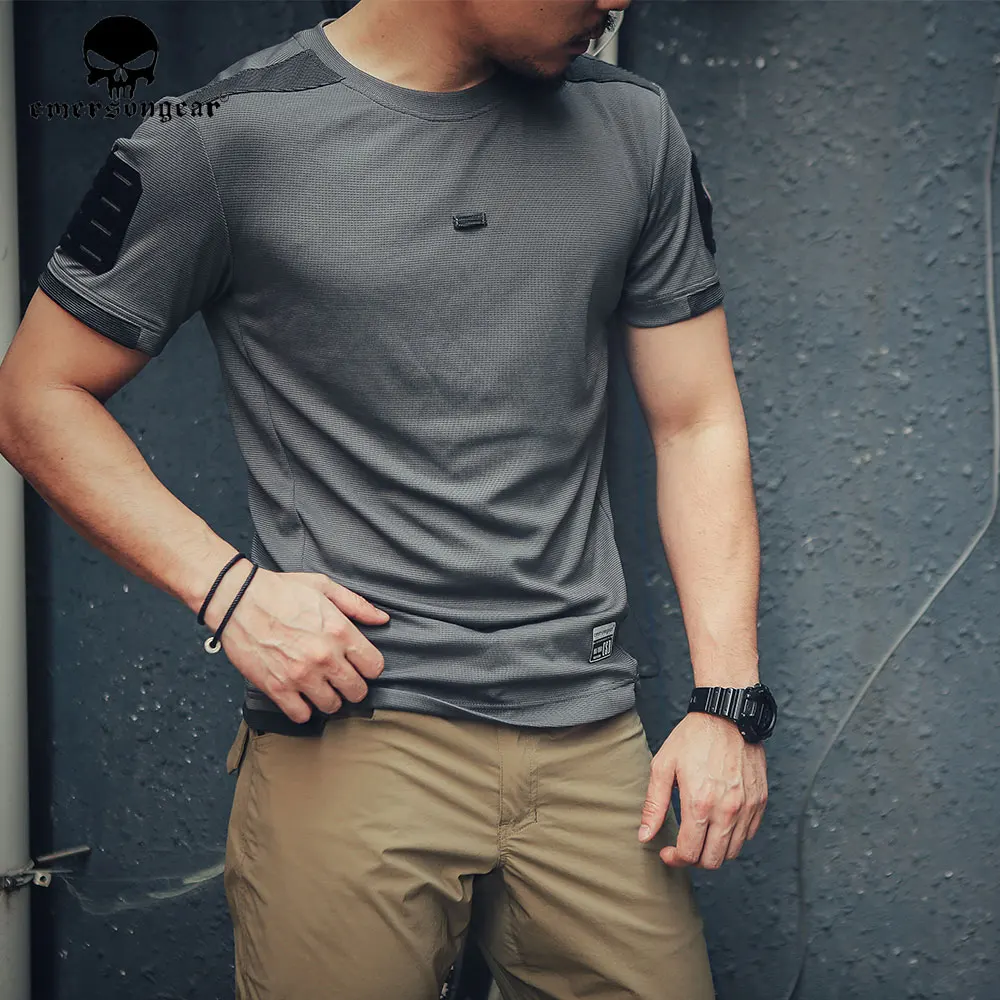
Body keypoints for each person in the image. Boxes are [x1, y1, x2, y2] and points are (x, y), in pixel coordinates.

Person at [0, 1, 775, 997]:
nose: (618, 0)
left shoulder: (633, 126)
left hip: (590, 740)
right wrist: (228, 591)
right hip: (358, 728)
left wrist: (727, 704)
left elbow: (696, 420)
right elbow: (36, 395)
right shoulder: (226, 135)